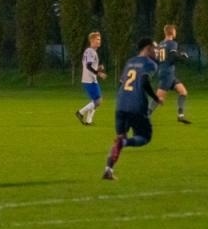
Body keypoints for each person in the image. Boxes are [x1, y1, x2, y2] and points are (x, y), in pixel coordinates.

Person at [102, 36, 162, 180]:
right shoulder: (150, 64)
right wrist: (155, 98)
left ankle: (108, 169)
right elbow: (144, 81)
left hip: (121, 105)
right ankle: (125, 143)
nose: (157, 51)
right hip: (136, 106)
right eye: (155, 48)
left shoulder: (129, 62)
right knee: (145, 137)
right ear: (148, 48)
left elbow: (121, 83)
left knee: (119, 138)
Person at [153, 24, 192, 124]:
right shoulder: (172, 43)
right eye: (175, 30)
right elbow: (172, 57)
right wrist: (183, 57)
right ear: (172, 32)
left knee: (183, 92)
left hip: (165, 72)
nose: (176, 32)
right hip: (167, 73)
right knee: (159, 98)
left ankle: (180, 116)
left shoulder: (161, 44)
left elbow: (158, 59)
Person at [75, 31, 107, 125]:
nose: (99, 41)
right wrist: (99, 73)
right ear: (92, 40)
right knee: (98, 101)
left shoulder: (90, 51)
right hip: (89, 80)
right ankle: (80, 112)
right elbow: (88, 66)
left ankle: (89, 121)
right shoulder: (91, 51)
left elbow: (89, 66)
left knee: (96, 100)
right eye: (97, 39)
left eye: (100, 39)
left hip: (91, 79)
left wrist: (98, 68)